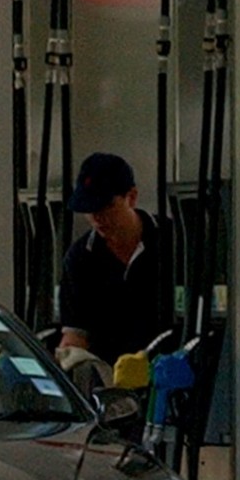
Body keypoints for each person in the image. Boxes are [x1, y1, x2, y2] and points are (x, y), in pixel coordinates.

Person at [58, 153, 169, 368]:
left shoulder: (172, 242)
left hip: (168, 378)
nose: (97, 217)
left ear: (132, 197)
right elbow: (75, 334)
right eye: (88, 209)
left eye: (106, 206)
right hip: (107, 383)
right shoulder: (80, 258)